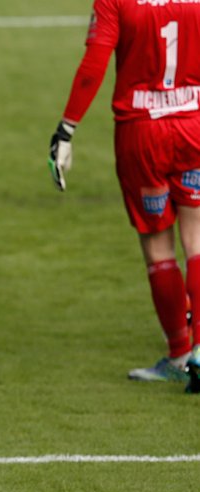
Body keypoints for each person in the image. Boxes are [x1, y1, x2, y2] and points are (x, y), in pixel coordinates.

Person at [49, 0, 200, 391]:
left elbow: (95, 64)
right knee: (197, 240)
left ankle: (180, 354)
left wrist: (67, 130)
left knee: (158, 246)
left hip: (141, 133)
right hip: (194, 124)